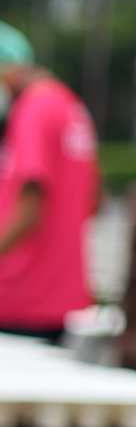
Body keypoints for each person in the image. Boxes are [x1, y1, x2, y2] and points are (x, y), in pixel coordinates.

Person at [0, 24, 100, 341]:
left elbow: (29, 211)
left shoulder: (31, 111)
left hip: (22, 297)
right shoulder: (70, 105)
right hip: (61, 296)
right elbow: (96, 199)